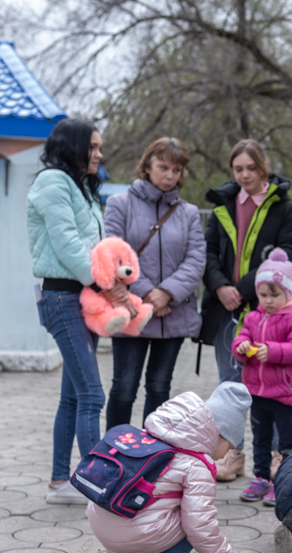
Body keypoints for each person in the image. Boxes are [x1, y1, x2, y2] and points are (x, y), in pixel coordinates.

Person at [28, 118, 124, 505]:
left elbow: (93, 244)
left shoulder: (80, 185)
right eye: (93, 147)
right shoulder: (53, 182)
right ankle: (96, 486)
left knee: (73, 397)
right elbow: (67, 243)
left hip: (83, 298)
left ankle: (60, 483)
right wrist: (105, 284)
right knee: (92, 396)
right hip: (63, 298)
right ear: (74, 147)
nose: (100, 154)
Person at [201, 139, 292, 480]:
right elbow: (208, 251)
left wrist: (244, 289)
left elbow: (290, 252)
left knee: (270, 386)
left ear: (264, 168)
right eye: (238, 169)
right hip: (225, 308)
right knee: (230, 384)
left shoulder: (283, 207)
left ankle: (276, 458)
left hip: (268, 310)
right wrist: (220, 287)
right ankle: (234, 455)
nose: (245, 175)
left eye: (251, 168)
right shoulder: (223, 204)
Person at [87, 383, 251, 553]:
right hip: (137, 534)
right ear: (218, 435)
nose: (225, 455)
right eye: (229, 447)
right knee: (193, 516)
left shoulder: (147, 437)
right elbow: (199, 525)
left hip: (101, 523)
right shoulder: (196, 465)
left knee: (149, 505)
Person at [104, 137, 206, 429]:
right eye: (163, 167)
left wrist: (167, 293)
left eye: (176, 170)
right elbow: (114, 253)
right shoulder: (119, 204)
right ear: (147, 165)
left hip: (172, 313)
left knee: (160, 389)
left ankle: (152, 450)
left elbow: (196, 259)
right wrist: (149, 293)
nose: (170, 175)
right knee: (124, 388)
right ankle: (116, 449)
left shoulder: (188, 213)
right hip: (132, 310)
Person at [231, 249, 292, 506]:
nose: (267, 300)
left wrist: (273, 351)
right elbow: (240, 340)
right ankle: (261, 478)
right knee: (260, 438)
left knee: (287, 441)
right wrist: (242, 346)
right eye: (263, 295)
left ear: (287, 292)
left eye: (274, 295)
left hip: (285, 393)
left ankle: (286, 481)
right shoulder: (253, 318)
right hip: (257, 392)